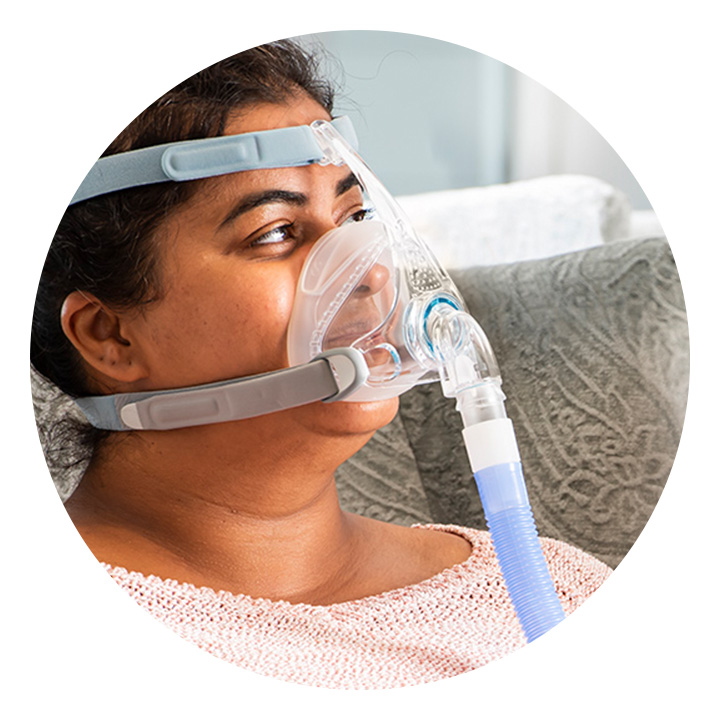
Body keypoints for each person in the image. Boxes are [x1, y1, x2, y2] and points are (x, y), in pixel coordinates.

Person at [31, 39, 610, 690]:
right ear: (110, 335)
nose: (368, 271)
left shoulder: (547, 582)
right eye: (276, 232)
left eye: (357, 214)